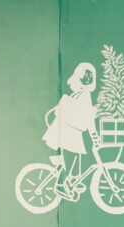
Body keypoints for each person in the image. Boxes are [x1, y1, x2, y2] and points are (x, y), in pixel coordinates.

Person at [41, 62, 100, 199]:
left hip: (70, 130)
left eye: (90, 75)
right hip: (69, 131)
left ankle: (72, 180)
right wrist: (94, 134)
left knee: (75, 156)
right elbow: (88, 118)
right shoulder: (83, 95)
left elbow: (86, 117)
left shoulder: (81, 94)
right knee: (72, 156)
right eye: (85, 74)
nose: (88, 77)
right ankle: (62, 184)